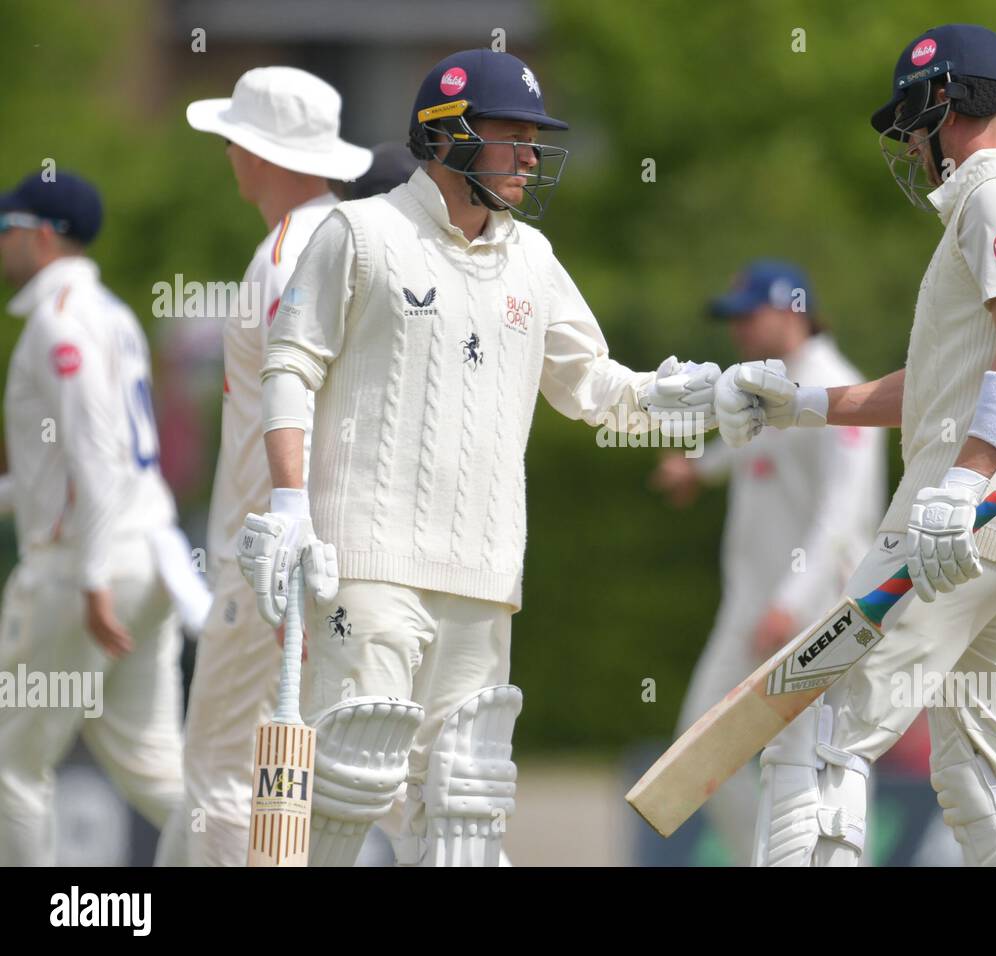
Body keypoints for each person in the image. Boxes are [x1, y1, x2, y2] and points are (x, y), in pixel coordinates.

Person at [235, 48, 717, 867]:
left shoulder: (531, 256)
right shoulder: (362, 232)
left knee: (464, 806)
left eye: (536, 138)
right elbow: (291, 365)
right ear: (449, 137)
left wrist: (719, 403)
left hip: (485, 574)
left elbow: (596, 388)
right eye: (513, 136)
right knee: (350, 786)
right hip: (367, 560)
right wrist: (288, 507)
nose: (532, 157)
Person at [716, 24, 996, 867]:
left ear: (939, 104)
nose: (911, 147)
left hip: (956, 526)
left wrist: (963, 485)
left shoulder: (995, 200)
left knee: (815, 727)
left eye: (911, 124)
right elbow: (939, 390)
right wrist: (801, 403)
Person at [155, 66, 372, 866]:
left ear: (256, 151)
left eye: (233, 139)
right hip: (319, 549)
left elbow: (297, 405)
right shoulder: (348, 237)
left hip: (268, 560)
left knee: (220, 771)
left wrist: (289, 535)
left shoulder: (288, 251)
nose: (227, 154)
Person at [650, 260, 886, 864]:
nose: (739, 332)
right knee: (700, 753)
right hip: (752, 609)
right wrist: (697, 468)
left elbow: (845, 516)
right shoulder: (772, 393)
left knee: (828, 765)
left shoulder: (838, 387)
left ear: (792, 310)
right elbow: (752, 444)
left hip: (818, 615)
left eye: (750, 316)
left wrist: (791, 604)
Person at [0, 171, 206, 864]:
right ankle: (260, 854)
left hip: (86, 569)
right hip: (147, 559)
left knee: (10, 764)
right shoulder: (112, 315)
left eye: (6, 231)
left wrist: (90, 578)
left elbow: (94, 452)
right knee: (154, 769)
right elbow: (63, 470)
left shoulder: (59, 320)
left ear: (40, 234)